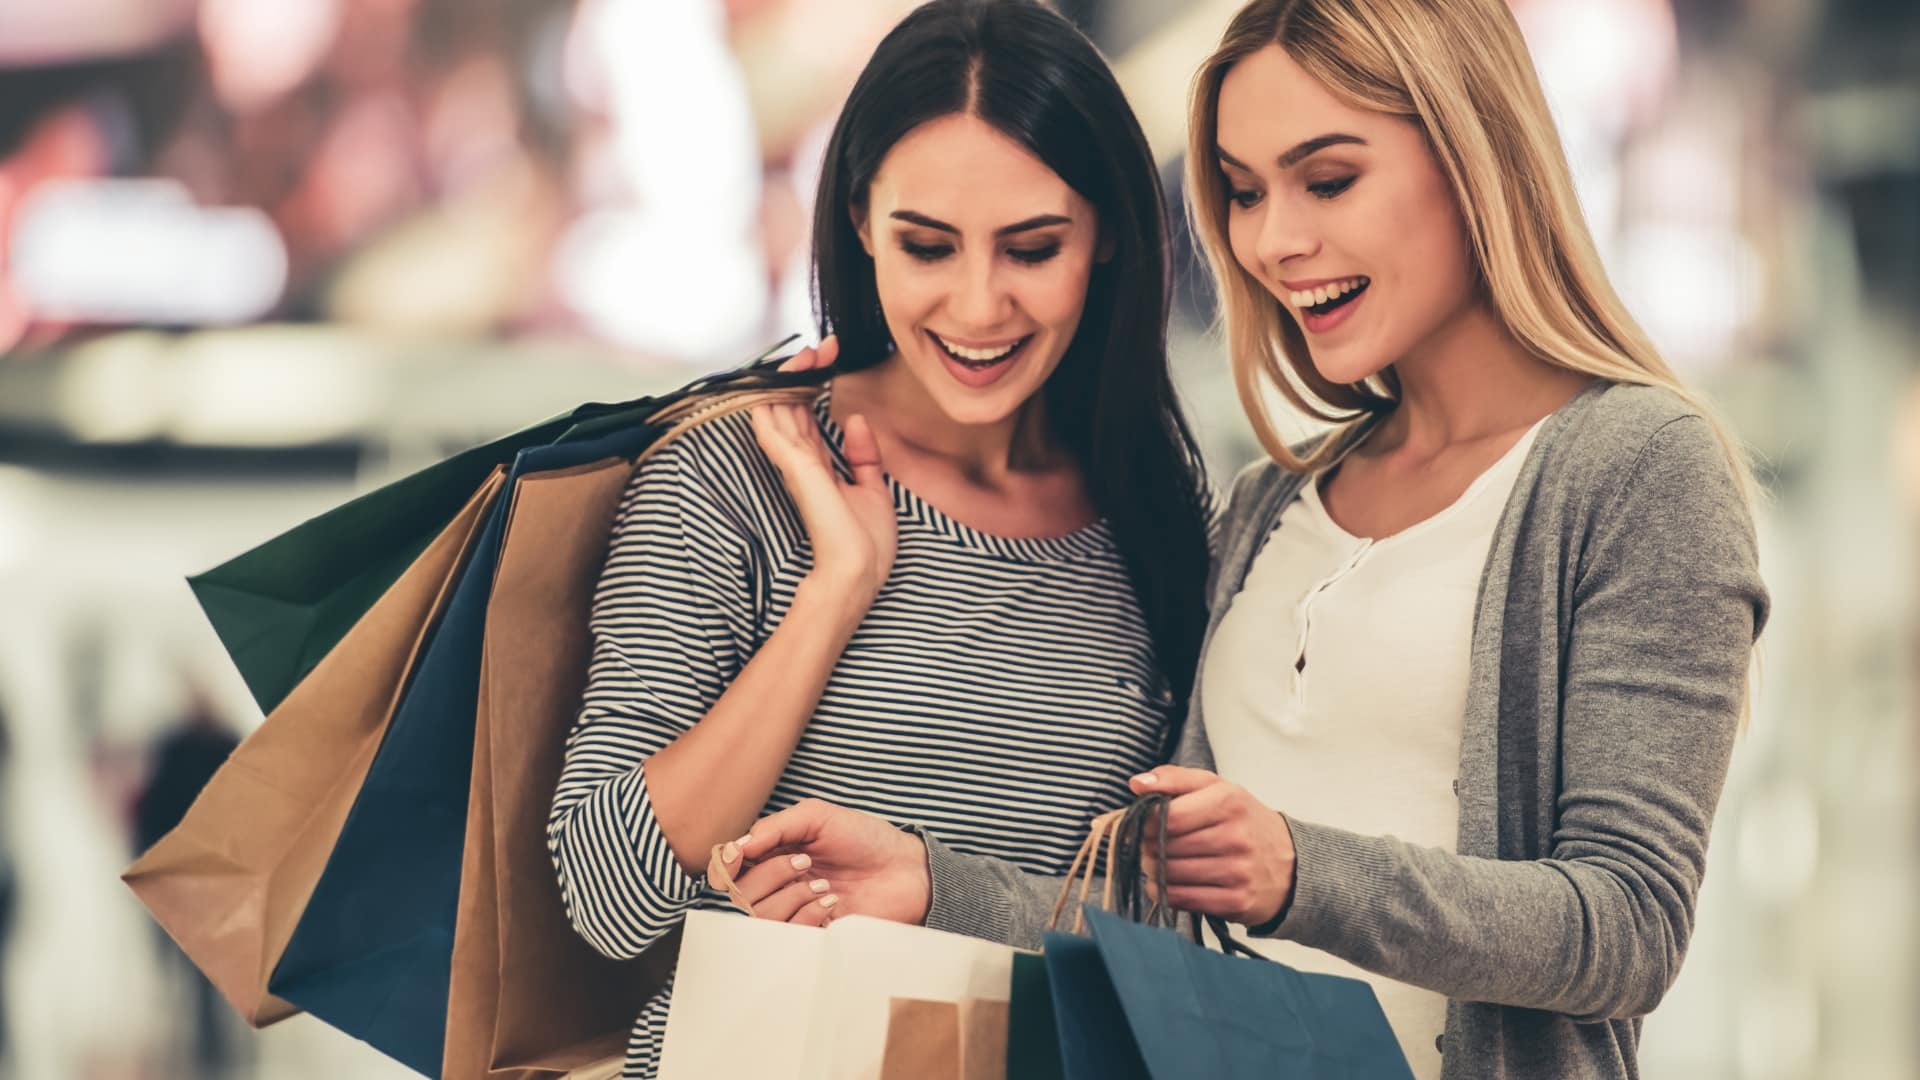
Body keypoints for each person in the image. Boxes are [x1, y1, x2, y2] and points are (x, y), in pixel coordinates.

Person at [729, 1, 1770, 1077]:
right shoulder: (1274, 501)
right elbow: (1160, 924)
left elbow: (1629, 927)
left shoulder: (1638, 467)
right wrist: (936, 887)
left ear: (1473, 155)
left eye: (1327, 181)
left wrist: (1298, 874)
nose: (1274, 240)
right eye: (1241, 190)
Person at [543, 2, 1213, 1076]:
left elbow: (1174, 941)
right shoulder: (738, 473)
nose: (978, 304)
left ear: (1109, 238)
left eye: (1032, 248)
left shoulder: (1158, 514)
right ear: (859, 218)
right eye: (926, 245)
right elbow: (610, 895)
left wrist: (934, 889)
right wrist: (836, 591)